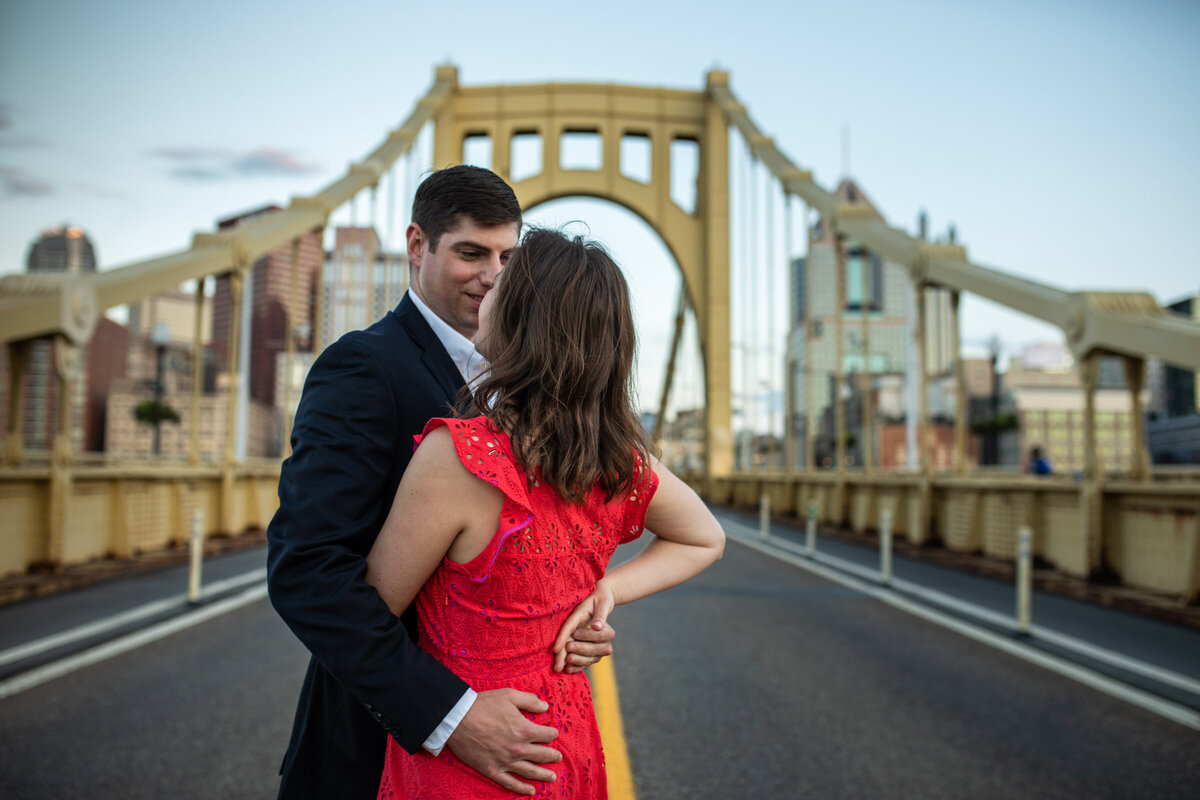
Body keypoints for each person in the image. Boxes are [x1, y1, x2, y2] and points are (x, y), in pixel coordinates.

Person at [267, 166, 617, 800]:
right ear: (416, 246)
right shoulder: (362, 368)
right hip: (382, 749)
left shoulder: (524, 388)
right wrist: (450, 716)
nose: (492, 274)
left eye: (508, 256)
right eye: (470, 253)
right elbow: (307, 571)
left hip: (518, 752)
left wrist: (571, 611)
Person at [366, 228, 725, 799]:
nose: (487, 289)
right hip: (562, 743)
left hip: (475, 750)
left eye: (502, 283)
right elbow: (704, 537)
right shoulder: (618, 463)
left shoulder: (459, 458)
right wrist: (607, 590)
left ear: (525, 320)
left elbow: (373, 608)